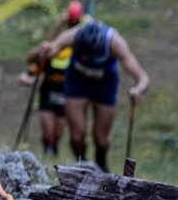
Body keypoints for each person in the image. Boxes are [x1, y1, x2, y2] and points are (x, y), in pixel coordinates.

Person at [36, 20, 149, 172]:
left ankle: (101, 164)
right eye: (81, 54)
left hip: (104, 85)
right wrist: (45, 49)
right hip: (77, 81)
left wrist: (138, 90)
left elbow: (142, 77)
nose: (84, 58)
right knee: (77, 136)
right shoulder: (72, 35)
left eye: (88, 55)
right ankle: (82, 165)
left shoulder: (114, 43)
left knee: (101, 139)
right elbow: (52, 49)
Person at [17, 0, 85, 156]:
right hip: (47, 94)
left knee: (59, 131)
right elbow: (29, 69)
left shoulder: (74, 55)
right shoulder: (48, 56)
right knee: (47, 130)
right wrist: (28, 79)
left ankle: (53, 149)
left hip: (65, 95)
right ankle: (47, 149)